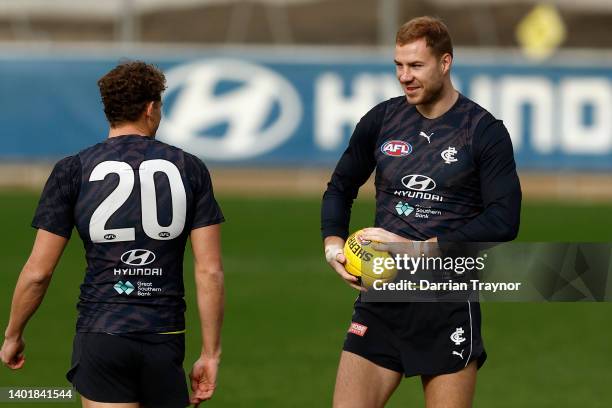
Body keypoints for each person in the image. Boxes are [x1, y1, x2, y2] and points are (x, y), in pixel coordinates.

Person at [321, 16, 521, 408]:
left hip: (444, 300)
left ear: (445, 62)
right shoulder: (382, 120)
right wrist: (333, 244)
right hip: (381, 297)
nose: (404, 76)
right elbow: (340, 186)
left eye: (415, 66)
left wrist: (418, 250)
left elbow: (504, 219)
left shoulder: (482, 130)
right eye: (398, 65)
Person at [0, 61, 225, 408]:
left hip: (101, 331)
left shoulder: (72, 169)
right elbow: (209, 271)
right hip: (163, 335)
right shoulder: (189, 168)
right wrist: (211, 353)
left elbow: (38, 273)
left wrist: (13, 334)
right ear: (150, 109)